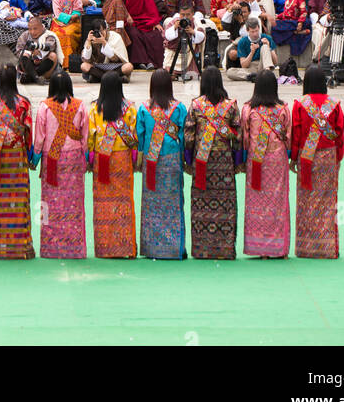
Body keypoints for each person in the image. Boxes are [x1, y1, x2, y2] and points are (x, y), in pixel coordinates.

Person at [184, 66, 241, 260]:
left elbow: (189, 137)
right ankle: (224, 249)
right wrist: (236, 159)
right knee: (226, 205)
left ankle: (202, 249)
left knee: (202, 204)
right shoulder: (231, 106)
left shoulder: (196, 105)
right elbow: (238, 137)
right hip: (224, 163)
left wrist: (189, 160)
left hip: (202, 163)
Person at [33, 68, 89, 259]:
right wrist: (85, 158)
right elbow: (85, 137)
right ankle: (75, 247)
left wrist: (35, 158)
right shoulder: (80, 106)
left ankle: (50, 247)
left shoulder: (44, 107)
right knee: (74, 202)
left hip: (52, 160)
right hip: (73, 159)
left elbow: (39, 139)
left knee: (49, 201)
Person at [291, 64, 344, 259]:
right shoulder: (335, 104)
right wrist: (337, 157)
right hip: (328, 157)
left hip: (307, 158)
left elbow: (296, 134)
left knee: (306, 201)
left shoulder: (300, 104)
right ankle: (327, 247)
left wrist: (294, 157)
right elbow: (339, 134)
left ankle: (306, 247)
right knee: (328, 201)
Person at [0, 64, 35, 259]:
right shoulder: (24, 103)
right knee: (19, 200)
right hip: (17, 158)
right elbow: (28, 133)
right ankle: (21, 247)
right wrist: (29, 155)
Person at [136, 68, 187, 260]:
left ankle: (152, 248)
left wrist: (140, 158)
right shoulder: (179, 108)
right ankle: (175, 247)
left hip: (152, 161)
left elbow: (140, 137)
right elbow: (182, 136)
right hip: (172, 159)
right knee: (174, 203)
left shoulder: (143, 109)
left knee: (152, 204)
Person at [87, 70, 138, 258]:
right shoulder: (130, 108)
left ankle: (104, 247)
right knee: (124, 200)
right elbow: (134, 138)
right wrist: (134, 160)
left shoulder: (94, 109)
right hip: (122, 160)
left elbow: (90, 139)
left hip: (103, 160)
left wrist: (90, 160)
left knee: (103, 203)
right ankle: (125, 247)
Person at [240, 69, 291, 258]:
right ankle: (279, 248)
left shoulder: (249, 110)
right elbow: (288, 136)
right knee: (278, 202)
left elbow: (245, 138)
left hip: (257, 162)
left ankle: (259, 248)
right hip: (277, 162)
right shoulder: (283, 109)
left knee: (257, 202)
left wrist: (244, 158)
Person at [228, 15, 279, 81]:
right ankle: (255, 76)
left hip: (264, 65)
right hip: (251, 68)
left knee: (265, 46)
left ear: (259, 28)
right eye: (252, 32)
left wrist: (269, 47)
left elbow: (275, 62)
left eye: (256, 31)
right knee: (230, 72)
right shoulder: (242, 42)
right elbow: (244, 65)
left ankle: (266, 74)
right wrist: (252, 52)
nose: (255, 34)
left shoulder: (267, 38)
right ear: (247, 30)